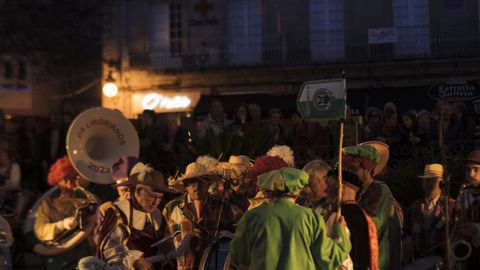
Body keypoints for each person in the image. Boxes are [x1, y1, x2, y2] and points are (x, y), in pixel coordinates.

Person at [229, 167, 352, 270]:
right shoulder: (311, 218)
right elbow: (330, 258)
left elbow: (240, 255)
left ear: (267, 192)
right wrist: (340, 232)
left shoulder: (251, 217)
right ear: (297, 191)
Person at [93, 164, 175, 270]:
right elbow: (108, 247)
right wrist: (134, 259)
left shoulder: (156, 214)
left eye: (159, 198)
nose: (156, 202)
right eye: (151, 196)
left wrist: (168, 248)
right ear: (138, 191)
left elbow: (164, 241)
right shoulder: (119, 212)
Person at [162, 162, 242, 270]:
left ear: (208, 183)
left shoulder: (222, 207)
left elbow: (234, 239)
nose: (196, 186)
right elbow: (164, 246)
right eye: (192, 182)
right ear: (185, 185)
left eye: (201, 181)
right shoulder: (170, 209)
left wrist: (220, 235)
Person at [342, 145, 398, 270]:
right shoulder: (355, 190)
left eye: (353, 169)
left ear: (367, 169)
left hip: (376, 259)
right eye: (347, 169)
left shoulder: (380, 190)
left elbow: (372, 224)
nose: (349, 173)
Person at [34, 156, 94, 270]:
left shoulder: (86, 202)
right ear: (57, 181)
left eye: (72, 179)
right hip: (58, 257)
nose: (69, 184)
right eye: (65, 180)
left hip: (83, 255)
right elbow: (40, 230)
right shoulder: (47, 204)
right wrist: (62, 225)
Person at [406, 164, 454, 260]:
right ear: (422, 183)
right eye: (427, 180)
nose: (430, 184)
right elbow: (407, 231)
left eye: (434, 180)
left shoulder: (451, 206)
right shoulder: (413, 208)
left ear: (442, 183)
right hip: (419, 260)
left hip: (443, 260)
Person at [93, 156, 140, 245]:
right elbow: (99, 240)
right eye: (124, 190)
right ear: (117, 190)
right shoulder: (107, 209)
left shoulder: (150, 206)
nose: (129, 195)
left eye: (133, 189)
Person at [456, 150, 480, 269]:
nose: (471, 174)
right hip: (468, 253)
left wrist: (476, 228)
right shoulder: (463, 195)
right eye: (468, 170)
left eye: (476, 170)